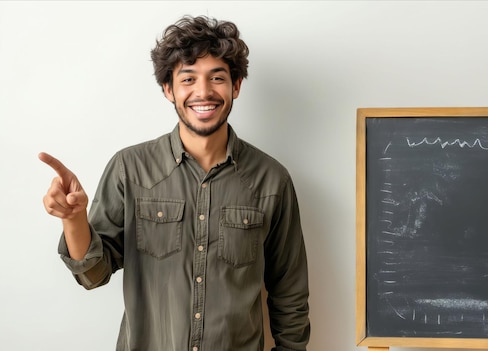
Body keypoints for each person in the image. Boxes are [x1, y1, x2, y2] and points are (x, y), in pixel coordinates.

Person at [39, 15, 310, 351]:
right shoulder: (130, 169)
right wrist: (72, 218)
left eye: (217, 77)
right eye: (188, 78)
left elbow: (290, 295)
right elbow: (92, 275)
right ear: (168, 89)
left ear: (236, 86)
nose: (203, 91)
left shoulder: (272, 180)